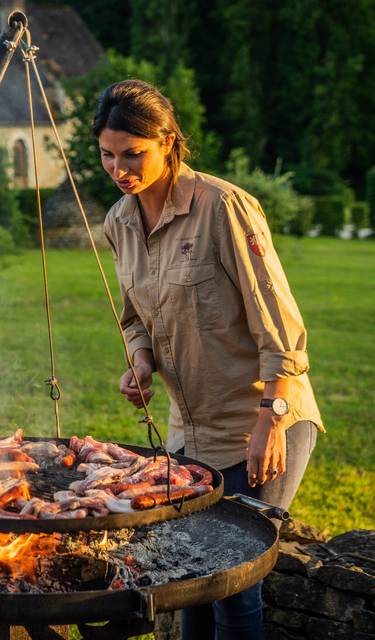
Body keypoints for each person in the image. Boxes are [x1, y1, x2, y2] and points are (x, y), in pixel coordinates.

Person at [95, 79, 323, 640]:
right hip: (186, 437)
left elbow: (281, 326)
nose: (120, 169)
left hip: (262, 425)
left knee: (233, 585)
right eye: (107, 155)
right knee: (191, 585)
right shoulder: (119, 222)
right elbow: (131, 317)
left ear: (169, 142)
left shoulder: (224, 207)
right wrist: (142, 360)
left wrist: (270, 419)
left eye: (133, 155)